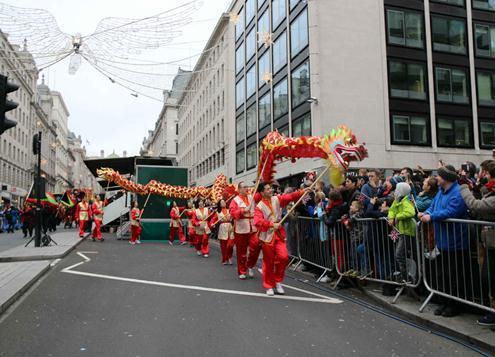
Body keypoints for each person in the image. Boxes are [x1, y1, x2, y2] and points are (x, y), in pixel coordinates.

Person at [420, 165, 469, 317]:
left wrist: (431, 216)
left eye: (439, 176)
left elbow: (452, 211)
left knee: (454, 276)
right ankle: (445, 302)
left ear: (446, 178)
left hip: (456, 242)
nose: (436, 178)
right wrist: (426, 213)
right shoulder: (441, 192)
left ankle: (455, 305)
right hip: (442, 242)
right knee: (443, 275)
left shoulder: (458, 192)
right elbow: (432, 206)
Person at [460, 161, 495, 327]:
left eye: (485, 173)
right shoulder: (489, 190)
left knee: (491, 277)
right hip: (489, 241)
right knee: (488, 276)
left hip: (492, 241)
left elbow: (477, 205)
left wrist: (465, 188)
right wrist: (479, 188)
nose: (483, 175)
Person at [254, 182, 305, 295]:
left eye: (270, 188)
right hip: (267, 236)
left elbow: (289, 196)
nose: (271, 190)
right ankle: (268, 285)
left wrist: (302, 191)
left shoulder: (276, 199)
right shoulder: (259, 207)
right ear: (262, 192)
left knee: (283, 257)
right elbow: (257, 222)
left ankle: (277, 281)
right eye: (268, 189)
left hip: (279, 234)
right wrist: (271, 224)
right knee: (268, 262)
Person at [229, 181, 261, 280]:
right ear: (239, 189)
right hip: (241, 227)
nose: (247, 188)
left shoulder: (252, 197)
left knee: (256, 246)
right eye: (244, 187)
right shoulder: (235, 200)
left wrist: (262, 181)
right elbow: (233, 213)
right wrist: (242, 211)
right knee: (241, 251)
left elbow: (260, 194)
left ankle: (250, 265)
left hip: (253, 227)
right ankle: (242, 271)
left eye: (247, 186)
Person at [388, 182, 416, 283]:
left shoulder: (406, 200)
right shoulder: (397, 200)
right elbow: (391, 210)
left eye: (397, 189)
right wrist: (391, 217)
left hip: (408, 232)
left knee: (399, 254)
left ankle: (406, 276)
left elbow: (411, 212)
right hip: (401, 231)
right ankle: (405, 276)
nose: (395, 191)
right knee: (401, 254)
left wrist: (397, 217)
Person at [210, 199, 235, 265]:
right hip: (222, 228)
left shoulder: (229, 210)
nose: (223, 203)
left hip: (230, 227)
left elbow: (234, 216)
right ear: (219, 204)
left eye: (224, 202)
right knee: (223, 246)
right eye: (222, 202)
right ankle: (225, 259)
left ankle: (229, 257)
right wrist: (212, 223)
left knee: (230, 245)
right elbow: (213, 219)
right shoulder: (218, 212)